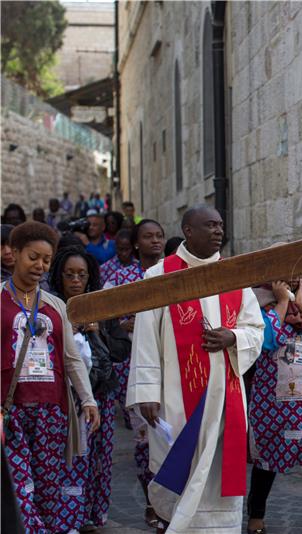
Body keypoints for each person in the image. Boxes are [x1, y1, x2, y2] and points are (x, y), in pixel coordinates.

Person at [127, 206, 264, 533]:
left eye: (220, 225)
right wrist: (147, 391)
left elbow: (256, 329)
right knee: (184, 468)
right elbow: (145, 339)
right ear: (188, 230)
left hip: (225, 395)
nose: (218, 231)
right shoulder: (160, 276)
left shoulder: (234, 274)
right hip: (176, 396)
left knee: (218, 471)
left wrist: (233, 336)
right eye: (209, 225)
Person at [1, 221, 100, 533]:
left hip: (52, 412)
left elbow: (71, 359)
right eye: (33, 257)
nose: (40, 266)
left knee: (47, 488)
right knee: (19, 489)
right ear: (14, 253)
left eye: (46, 260)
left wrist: (87, 399)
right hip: (10, 411)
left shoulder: (56, 305)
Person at [247, 279, 302, 534]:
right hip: (272, 409)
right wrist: (283, 302)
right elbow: (266, 339)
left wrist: (301, 304)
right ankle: (255, 516)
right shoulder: (254, 304)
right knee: (266, 464)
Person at [50, 246, 121, 530]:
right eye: (70, 275)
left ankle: (94, 513)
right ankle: (70, 516)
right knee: (73, 457)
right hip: (68, 396)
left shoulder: (102, 306)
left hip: (101, 393)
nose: (76, 281)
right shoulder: (52, 308)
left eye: (82, 275)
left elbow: (120, 350)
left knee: (100, 459)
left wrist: (96, 331)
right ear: (60, 276)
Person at [105, 218, 165, 526]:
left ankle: (172, 500)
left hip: (171, 366)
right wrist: (124, 324)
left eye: (159, 236)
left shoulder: (174, 272)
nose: (154, 241)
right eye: (148, 237)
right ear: (136, 243)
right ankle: (152, 501)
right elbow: (104, 319)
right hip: (133, 366)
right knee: (145, 439)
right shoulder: (120, 277)